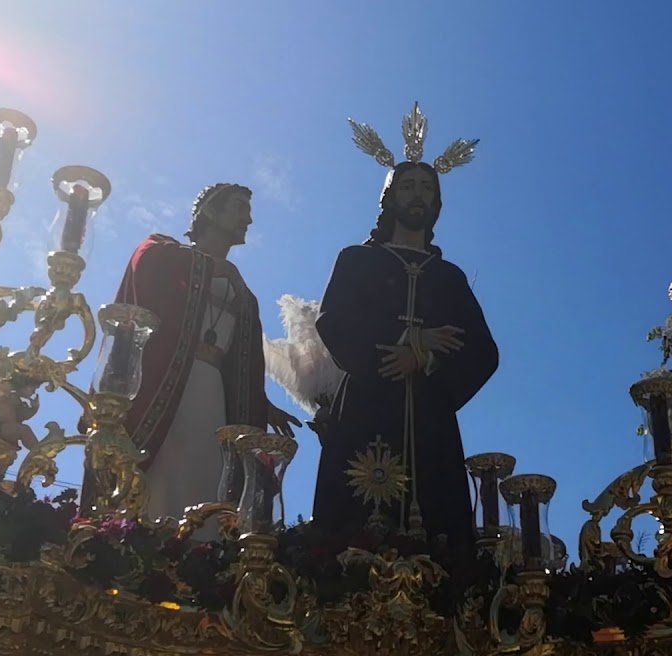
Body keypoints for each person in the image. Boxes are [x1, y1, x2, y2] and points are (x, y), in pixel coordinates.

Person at [312, 158, 498, 553]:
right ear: (390, 196)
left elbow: (483, 349)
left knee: (436, 526)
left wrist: (424, 360)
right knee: (352, 528)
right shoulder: (356, 260)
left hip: (430, 416)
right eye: (408, 185)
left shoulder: (449, 277)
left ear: (437, 203)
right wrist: (410, 335)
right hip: (366, 402)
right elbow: (335, 320)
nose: (418, 195)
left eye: (427, 188)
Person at [90, 183, 300, 521]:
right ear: (210, 213)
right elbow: (145, 263)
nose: (248, 218)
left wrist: (260, 404)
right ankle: (140, 542)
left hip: (213, 392)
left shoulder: (243, 292)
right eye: (238, 207)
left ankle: (198, 555)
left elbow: (238, 362)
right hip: (168, 386)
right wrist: (209, 266)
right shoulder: (165, 251)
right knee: (161, 475)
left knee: (207, 475)